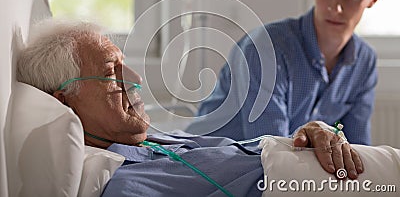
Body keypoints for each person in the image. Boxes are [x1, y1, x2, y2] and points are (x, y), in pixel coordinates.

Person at [16, 20, 363, 196]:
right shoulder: (129, 187)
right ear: (66, 102)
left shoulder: (155, 141)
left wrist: (309, 132)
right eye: (111, 73)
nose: (134, 79)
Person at [188, 0, 387, 145]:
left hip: (279, 174)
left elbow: (358, 151)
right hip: (208, 165)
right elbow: (272, 151)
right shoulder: (265, 49)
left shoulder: (364, 62)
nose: (335, 7)